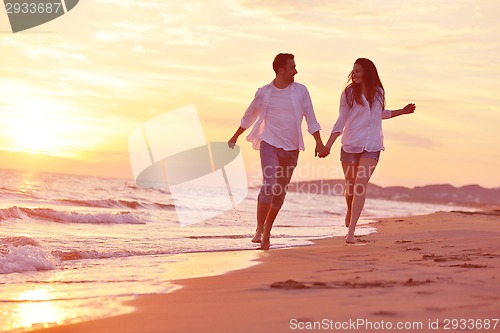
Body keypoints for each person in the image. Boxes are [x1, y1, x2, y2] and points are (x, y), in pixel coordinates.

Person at [228, 53, 325, 250]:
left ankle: (267, 231)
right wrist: (235, 135)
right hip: (269, 143)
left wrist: (319, 143)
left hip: (291, 148)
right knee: (269, 185)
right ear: (281, 69)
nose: (296, 71)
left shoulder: (301, 91)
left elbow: (311, 118)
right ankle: (259, 229)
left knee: (279, 193)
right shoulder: (264, 92)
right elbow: (250, 115)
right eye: (292, 67)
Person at [321, 58, 415, 244]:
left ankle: (352, 231)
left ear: (367, 73)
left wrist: (401, 112)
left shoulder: (379, 92)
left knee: (360, 185)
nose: (354, 74)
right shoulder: (348, 94)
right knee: (350, 187)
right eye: (353, 71)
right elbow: (341, 120)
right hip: (350, 145)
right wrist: (328, 144)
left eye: (358, 71)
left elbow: (380, 114)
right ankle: (350, 210)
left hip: (372, 147)